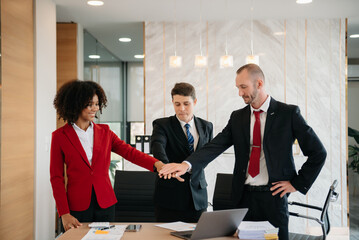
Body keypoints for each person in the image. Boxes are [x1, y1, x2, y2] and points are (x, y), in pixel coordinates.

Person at [159, 64, 327, 240]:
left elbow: (318, 152)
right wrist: (186, 165)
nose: (240, 93)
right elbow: (215, 146)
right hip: (242, 198)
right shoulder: (237, 117)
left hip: (274, 197)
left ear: (259, 84)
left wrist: (297, 183)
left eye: (243, 87)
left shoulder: (288, 114)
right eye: (238, 88)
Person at [50, 80, 165, 231]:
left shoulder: (105, 132)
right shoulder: (59, 136)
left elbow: (129, 152)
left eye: (97, 104)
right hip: (76, 206)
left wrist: (157, 164)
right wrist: (63, 213)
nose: (94, 109)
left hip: (105, 204)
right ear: (75, 104)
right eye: (89, 104)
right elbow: (56, 178)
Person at [151, 82, 213, 223]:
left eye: (186, 103)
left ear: (195, 102)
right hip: (170, 195)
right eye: (177, 104)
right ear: (172, 102)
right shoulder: (162, 125)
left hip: (198, 196)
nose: (182, 109)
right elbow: (157, 147)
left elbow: (207, 155)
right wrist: (168, 169)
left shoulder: (206, 126)